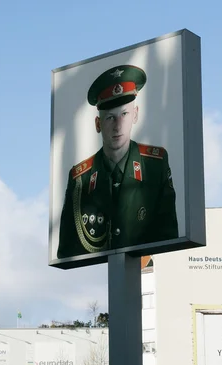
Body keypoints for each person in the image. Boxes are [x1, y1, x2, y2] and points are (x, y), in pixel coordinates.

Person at [57, 64, 178, 259]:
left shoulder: (156, 165)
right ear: (98, 124)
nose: (118, 126)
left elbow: (169, 236)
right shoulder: (80, 178)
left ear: (135, 115)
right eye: (110, 118)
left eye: (124, 114)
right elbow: (67, 250)